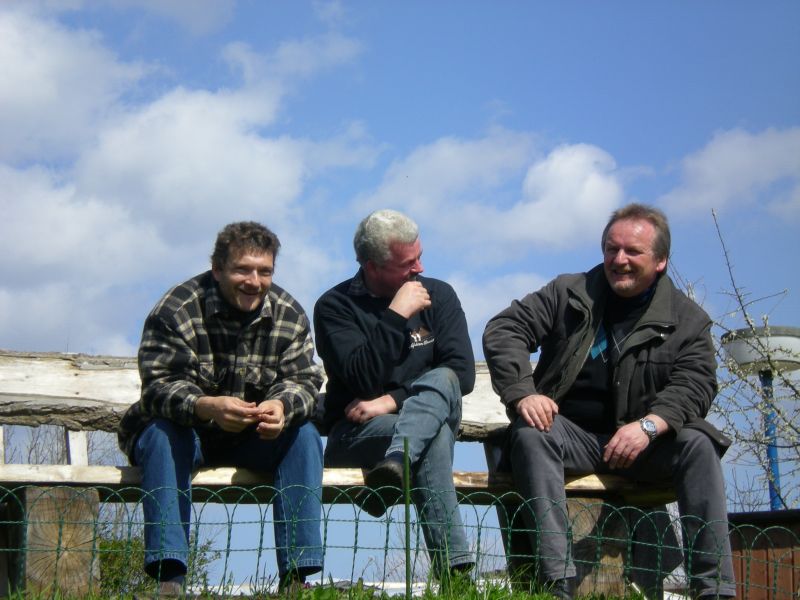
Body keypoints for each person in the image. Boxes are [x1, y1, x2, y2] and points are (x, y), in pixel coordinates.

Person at [482, 204, 735, 600]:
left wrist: (650, 426)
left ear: (661, 261)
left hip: (643, 447)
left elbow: (696, 384)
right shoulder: (568, 293)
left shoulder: (687, 321)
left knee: (699, 444)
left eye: (633, 251)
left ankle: (714, 589)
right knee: (532, 434)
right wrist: (523, 392)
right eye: (611, 249)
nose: (620, 260)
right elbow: (505, 328)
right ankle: (556, 583)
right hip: (570, 437)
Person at [118, 221, 324, 596]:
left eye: (264, 271)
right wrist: (206, 406)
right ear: (217, 269)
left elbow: (306, 381)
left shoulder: (289, 314)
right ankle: (169, 579)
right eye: (242, 270)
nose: (254, 281)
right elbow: (157, 387)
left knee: (305, 435)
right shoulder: (176, 309)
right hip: (186, 434)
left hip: (253, 439)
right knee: (161, 434)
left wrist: (281, 406)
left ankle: (298, 579)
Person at [313, 209, 475, 578]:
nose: (419, 268)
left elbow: (462, 375)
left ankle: (395, 465)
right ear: (371, 266)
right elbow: (361, 379)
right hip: (357, 435)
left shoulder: (440, 294)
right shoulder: (334, 306)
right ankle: (455, 577)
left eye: (420, 256)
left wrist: (391, 401)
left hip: (411, 423)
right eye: (407, 264)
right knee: (431, 435)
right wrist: (396, 315)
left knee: (444, 379)